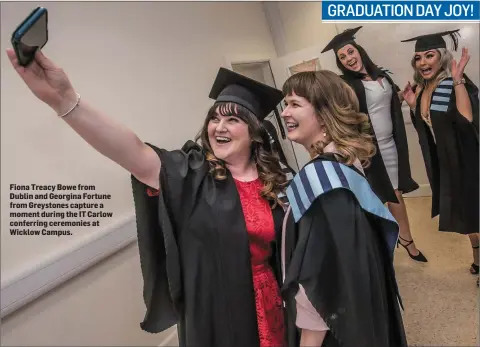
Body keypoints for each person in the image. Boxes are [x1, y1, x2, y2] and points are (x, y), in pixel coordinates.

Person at [6, 47, 290, 347]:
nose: (218, 127)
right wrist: (65, 101)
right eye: (214, 118)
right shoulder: (192, 174)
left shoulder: (273, 179)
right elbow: (135, 152)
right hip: (215, 309)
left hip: (269, 300)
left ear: (255, 132)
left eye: (232, 121)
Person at [280, 70, 407, 347]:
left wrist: (309, 343)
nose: (284, 112)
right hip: (359, 306)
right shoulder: (343, 162)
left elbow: (320, 275)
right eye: (285, 103)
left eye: (295, 104)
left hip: (335, 328)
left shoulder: (323, 179)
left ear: (324, 114)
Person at [321, 27, 427, 263]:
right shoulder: (345, 84)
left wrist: (403, 97)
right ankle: (377, 246)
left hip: (391, 146)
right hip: (369, 150)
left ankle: (406, 238)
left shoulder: (382, 76)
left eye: (351, 52)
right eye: (343, 57)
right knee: (376, 197)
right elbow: (341, 112)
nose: (349, 58)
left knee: (396, 193)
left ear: (359, 50)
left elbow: (383, 105)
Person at [400, 30, 479, 285]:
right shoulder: (424, 89)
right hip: (447, 165)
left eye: (429, 56)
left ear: (442, 57)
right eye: (418, 58)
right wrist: (413, 104)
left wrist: (458, 81)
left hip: (467, 162)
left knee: (474, 214)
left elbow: (467, 120)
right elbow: (429, 125)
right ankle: (478, 258)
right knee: (467, 217)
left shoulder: (452, 83)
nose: (423, 62)